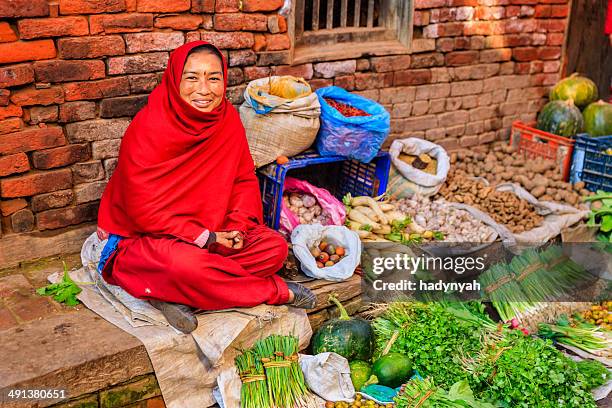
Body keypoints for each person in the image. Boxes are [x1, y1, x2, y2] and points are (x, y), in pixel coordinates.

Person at [96, 41, 316, 334]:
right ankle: (270, 290)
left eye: (213, 78)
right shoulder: (148, 127)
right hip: (156, 238)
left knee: (273, 249)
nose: (204, 89)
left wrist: (237, 228)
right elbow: (143, 212)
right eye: (192, 77)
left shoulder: (227, 120)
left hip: (217, 233)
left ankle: (173, 294)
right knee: (183, 266)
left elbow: (242, 180)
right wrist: (205, 237)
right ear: (175, 80)